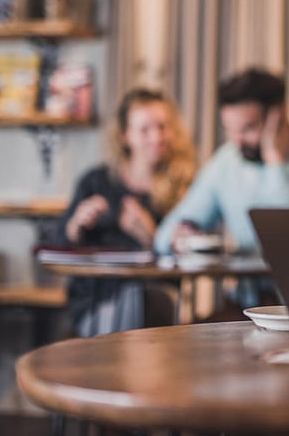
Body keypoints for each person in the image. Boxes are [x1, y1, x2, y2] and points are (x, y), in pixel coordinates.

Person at [154, 67, 289, 312]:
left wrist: (276, 162)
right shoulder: (227, 161)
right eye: (229, 129)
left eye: (247, 129)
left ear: (278, 115)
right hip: (245, 305)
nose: (237, 141)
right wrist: (180, 234)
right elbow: (163, 237)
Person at [56, 88, 197, 336]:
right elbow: (60, 243)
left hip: (155, 301)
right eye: (145, 130)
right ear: (125, 136)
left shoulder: (183, 188)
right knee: (131, 301)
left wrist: (151, 236)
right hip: (97, 299)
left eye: (162, 127)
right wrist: (77, 223)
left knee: (141, 298)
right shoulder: (96, 181)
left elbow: (192, 259)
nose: (156, 137)